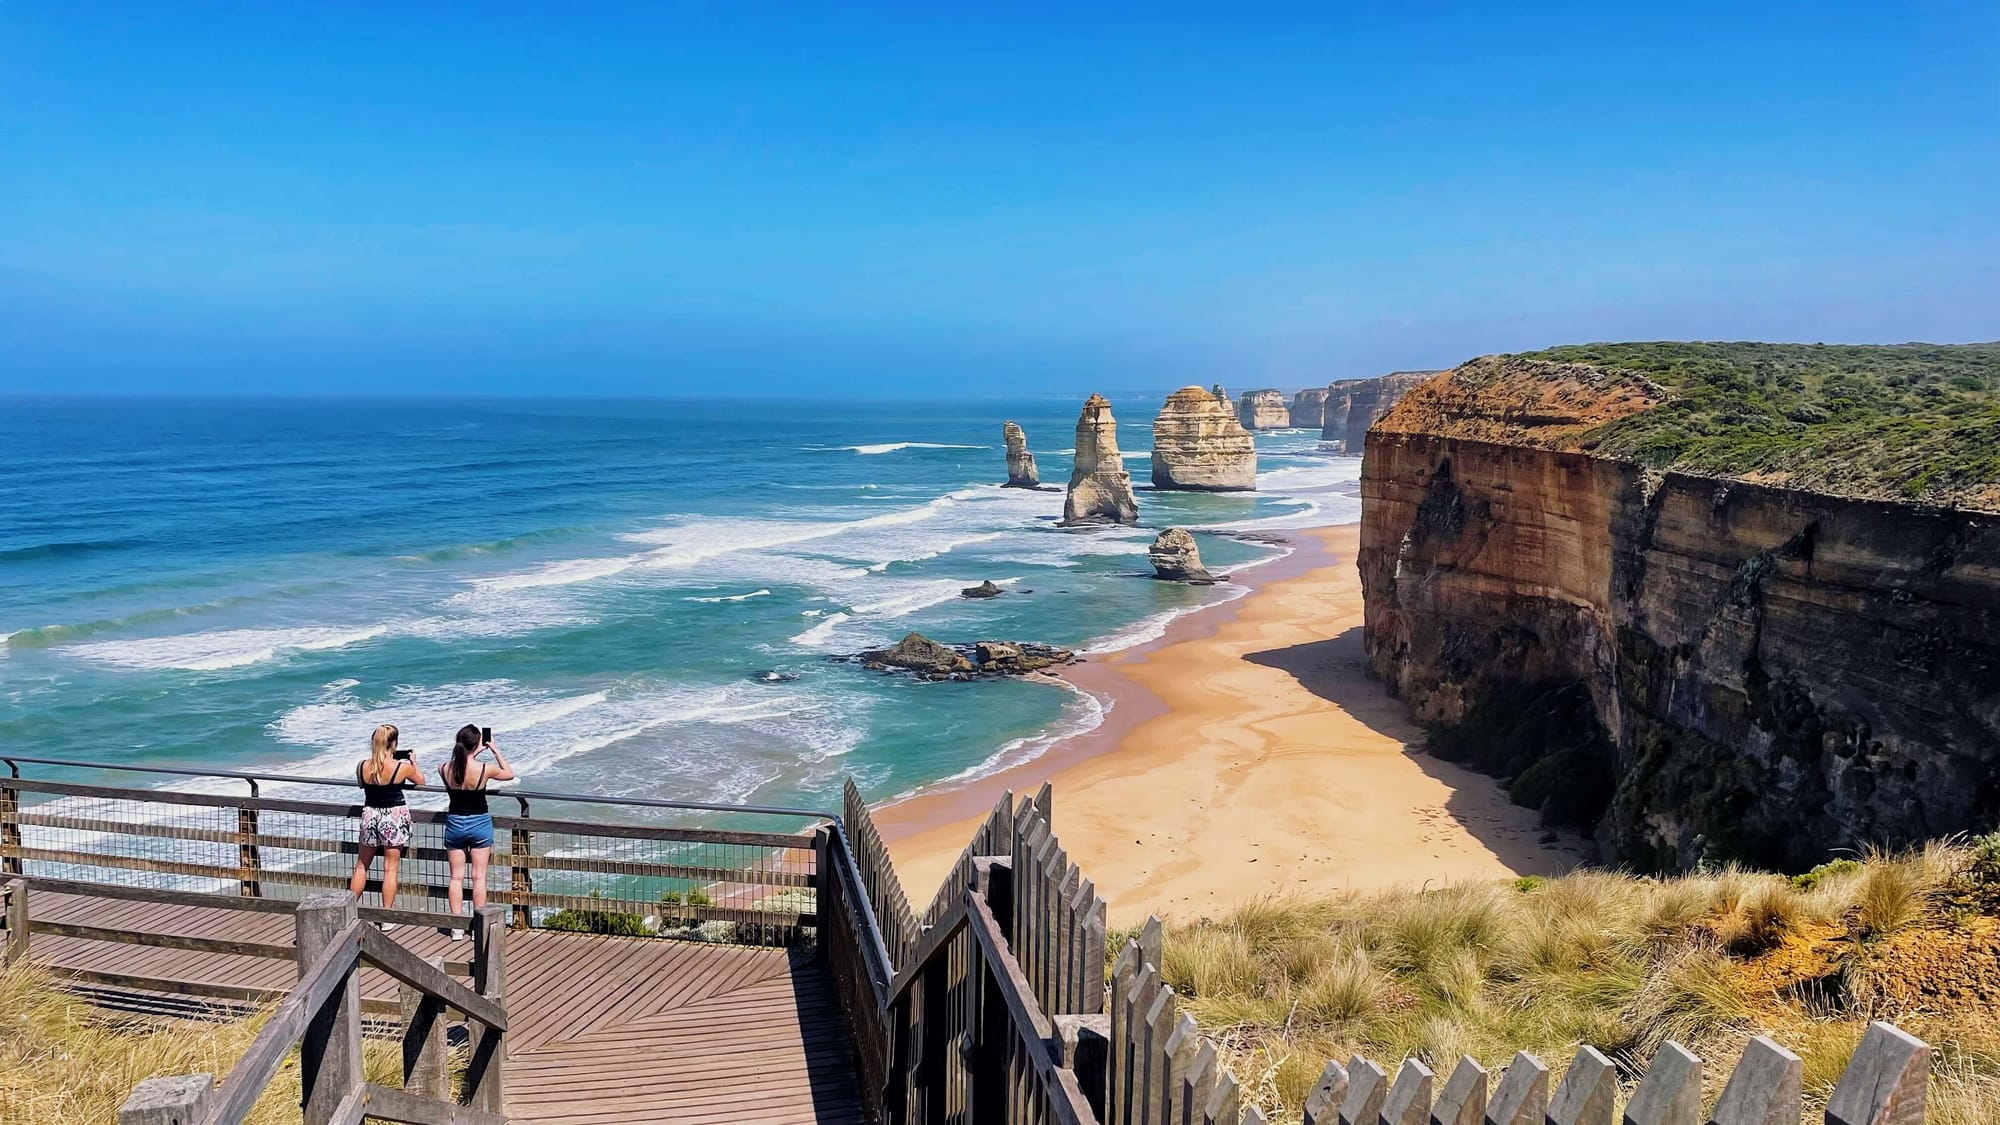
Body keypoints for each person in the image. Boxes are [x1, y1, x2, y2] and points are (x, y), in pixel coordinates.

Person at [440, 722, 514, 940]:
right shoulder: (484, 769)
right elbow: (508, 774)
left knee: (455, 877)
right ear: (478, 744)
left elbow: (459, 765)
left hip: (454, 822)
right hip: (479, 823)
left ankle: (456, 927)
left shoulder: (444, 768)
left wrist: (472, 751)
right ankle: (478, 928)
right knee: (478, 877)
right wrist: (494, 750)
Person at [349, 724, 423, 930]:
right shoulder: (401, 767)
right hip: (393, 815)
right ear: (394, 744)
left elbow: (363, 784)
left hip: (370, 814)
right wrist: (413, 762)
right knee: (390, 869)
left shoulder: (362, 765)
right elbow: (421, 781)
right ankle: (387, 916)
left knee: (361, 866)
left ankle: (348, 910)